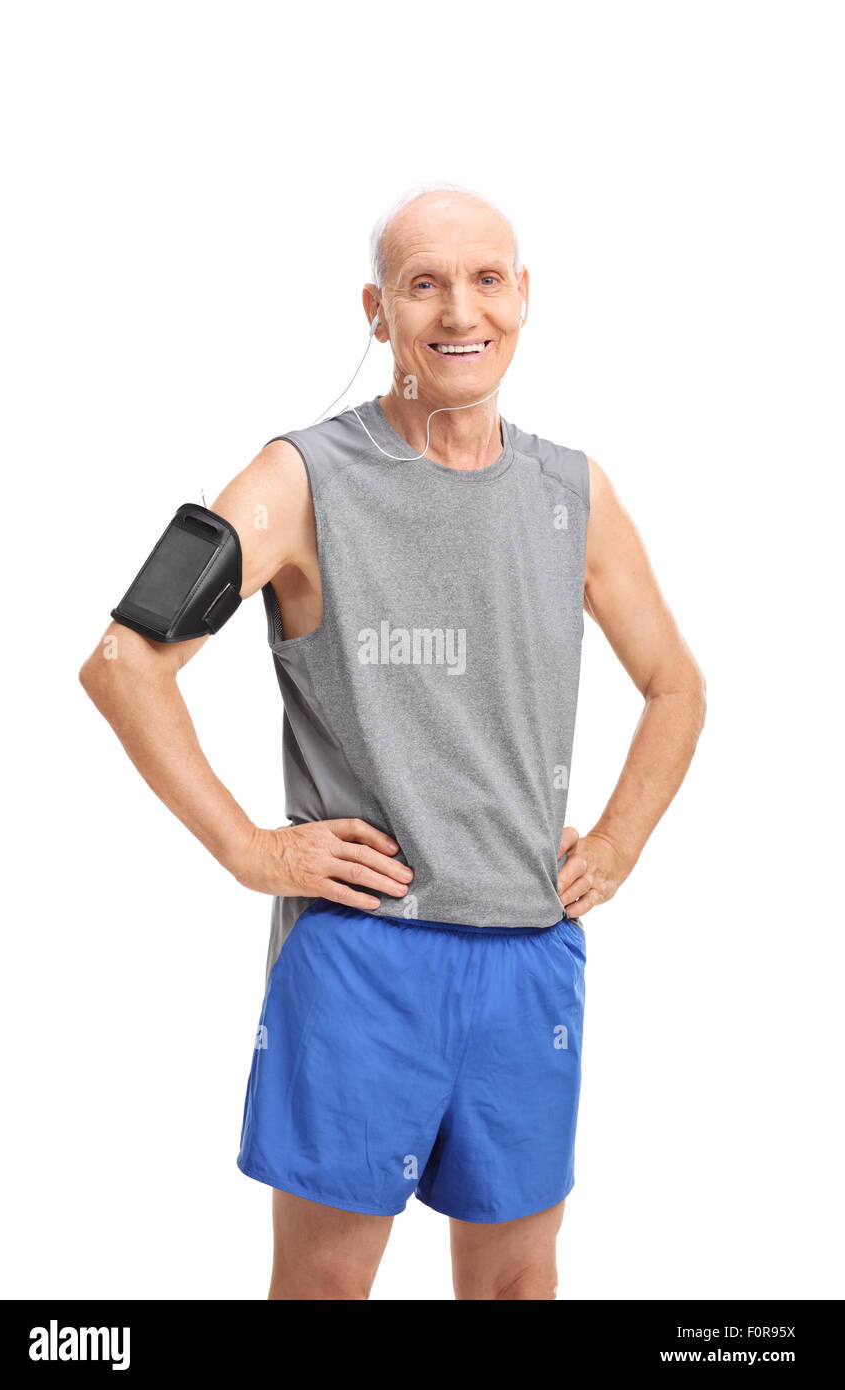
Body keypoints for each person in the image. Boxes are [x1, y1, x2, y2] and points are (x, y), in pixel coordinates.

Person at [80, 182, 706, 1300]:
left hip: (529, 952)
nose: (457, 310)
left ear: (523, 296)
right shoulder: (300, 478)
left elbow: (674, 687)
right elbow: (125, 662)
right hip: (364, 957)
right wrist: (249, 848)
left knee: (517, 1286)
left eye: (483, 279)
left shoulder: (573, 491)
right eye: (422, 283)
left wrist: (613, 843)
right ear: (377, 311)